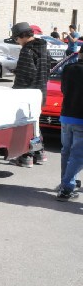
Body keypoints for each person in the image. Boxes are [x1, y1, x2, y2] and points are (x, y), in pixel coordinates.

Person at [10, 22, 50, 167]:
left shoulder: (27, 51)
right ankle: (39, 153)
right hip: (41, 91)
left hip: (27, 93)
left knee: (25, 126)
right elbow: (45, 70)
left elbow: (25, 75)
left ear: (22, 36)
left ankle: (26, 156)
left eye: (16, 39)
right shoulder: (44, 48)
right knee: (35, 123)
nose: (17, 42)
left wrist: (15, 91)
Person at [57, 50, 83, 201]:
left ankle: (66, 182)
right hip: (81, 117)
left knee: (66, 151)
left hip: (66, 115)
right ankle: (66, 187)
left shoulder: (68, 68)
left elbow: (64, 90)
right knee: (77, 154)